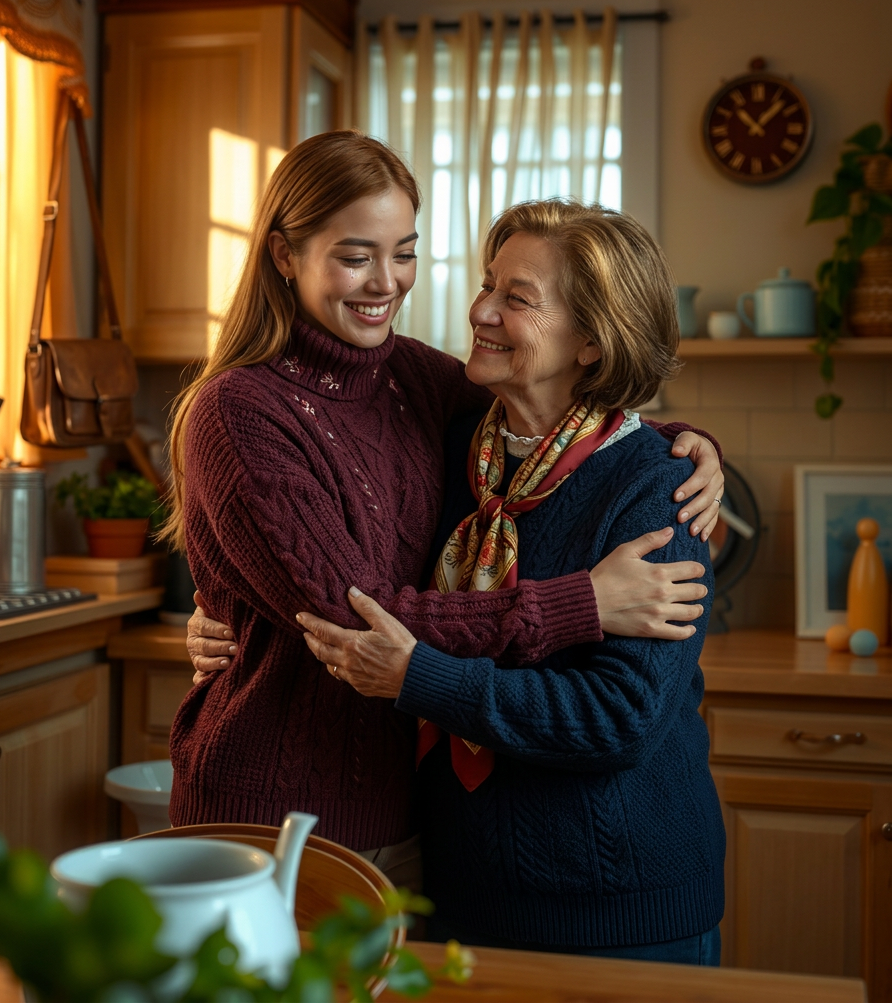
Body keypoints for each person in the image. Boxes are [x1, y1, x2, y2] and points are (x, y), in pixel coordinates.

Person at [167, 131, 720, 889]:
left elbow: (567, 409)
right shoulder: (239, 411)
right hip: (274, 814)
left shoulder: (415, 381)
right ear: (284, 255)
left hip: (408, 822)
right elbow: (357, 622)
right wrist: (581, 604)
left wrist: (687, 445)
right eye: (355, 256)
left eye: (404, 253)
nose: (386, 282)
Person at [292, 200, 725, 965]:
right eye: (487, 284)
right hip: (460, 889)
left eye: (517, 298)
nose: (481, 310)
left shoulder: (659, 488)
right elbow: (347, 565)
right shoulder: (448, 446)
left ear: (592, 341)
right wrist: (225, 608)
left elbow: (621, 716)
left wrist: (420, 678)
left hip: (622, 909)